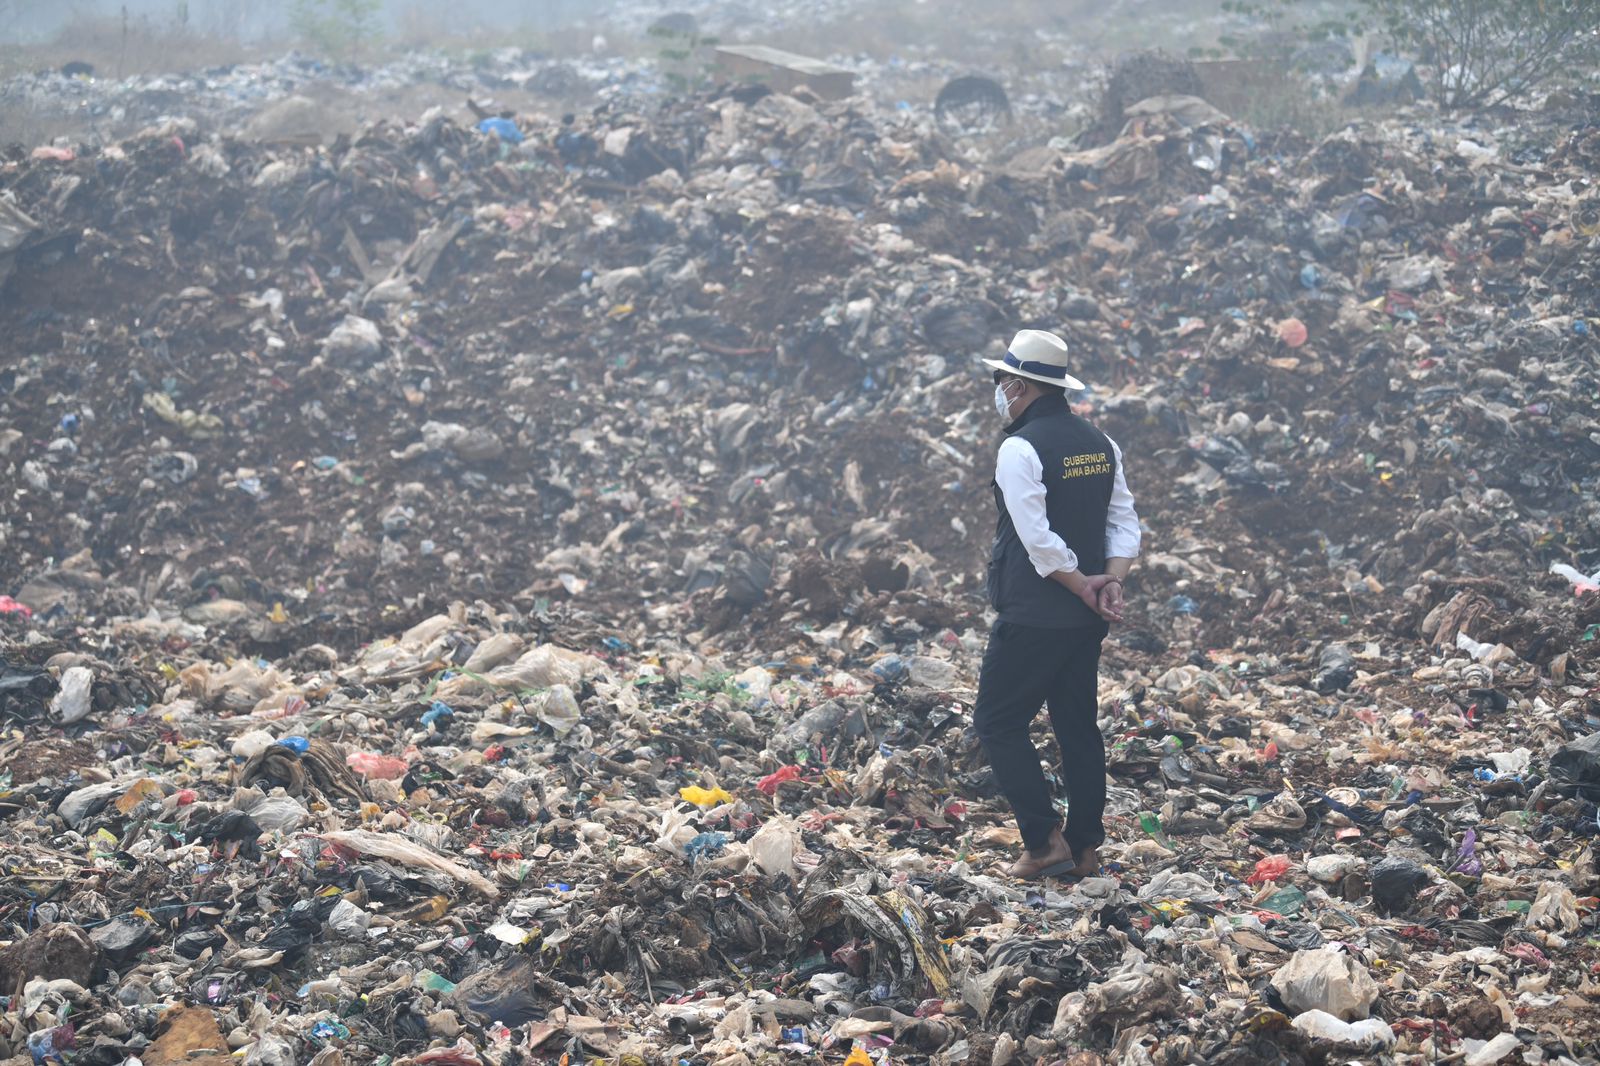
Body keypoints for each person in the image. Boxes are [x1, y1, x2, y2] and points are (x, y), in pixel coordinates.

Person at [975, 329, 1141, 880]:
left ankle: (1044, 841)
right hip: (1085, 620)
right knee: (1077, 726)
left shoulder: (1019, 448)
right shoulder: (1101, 443)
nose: (997, 389)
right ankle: (1086, 847)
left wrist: (1083, 584)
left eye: (1001, 380)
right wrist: (1109, 582)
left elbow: (1036, 537)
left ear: (1019, 386)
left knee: (998, 723)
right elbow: (1123, 522)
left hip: (1033, 612)